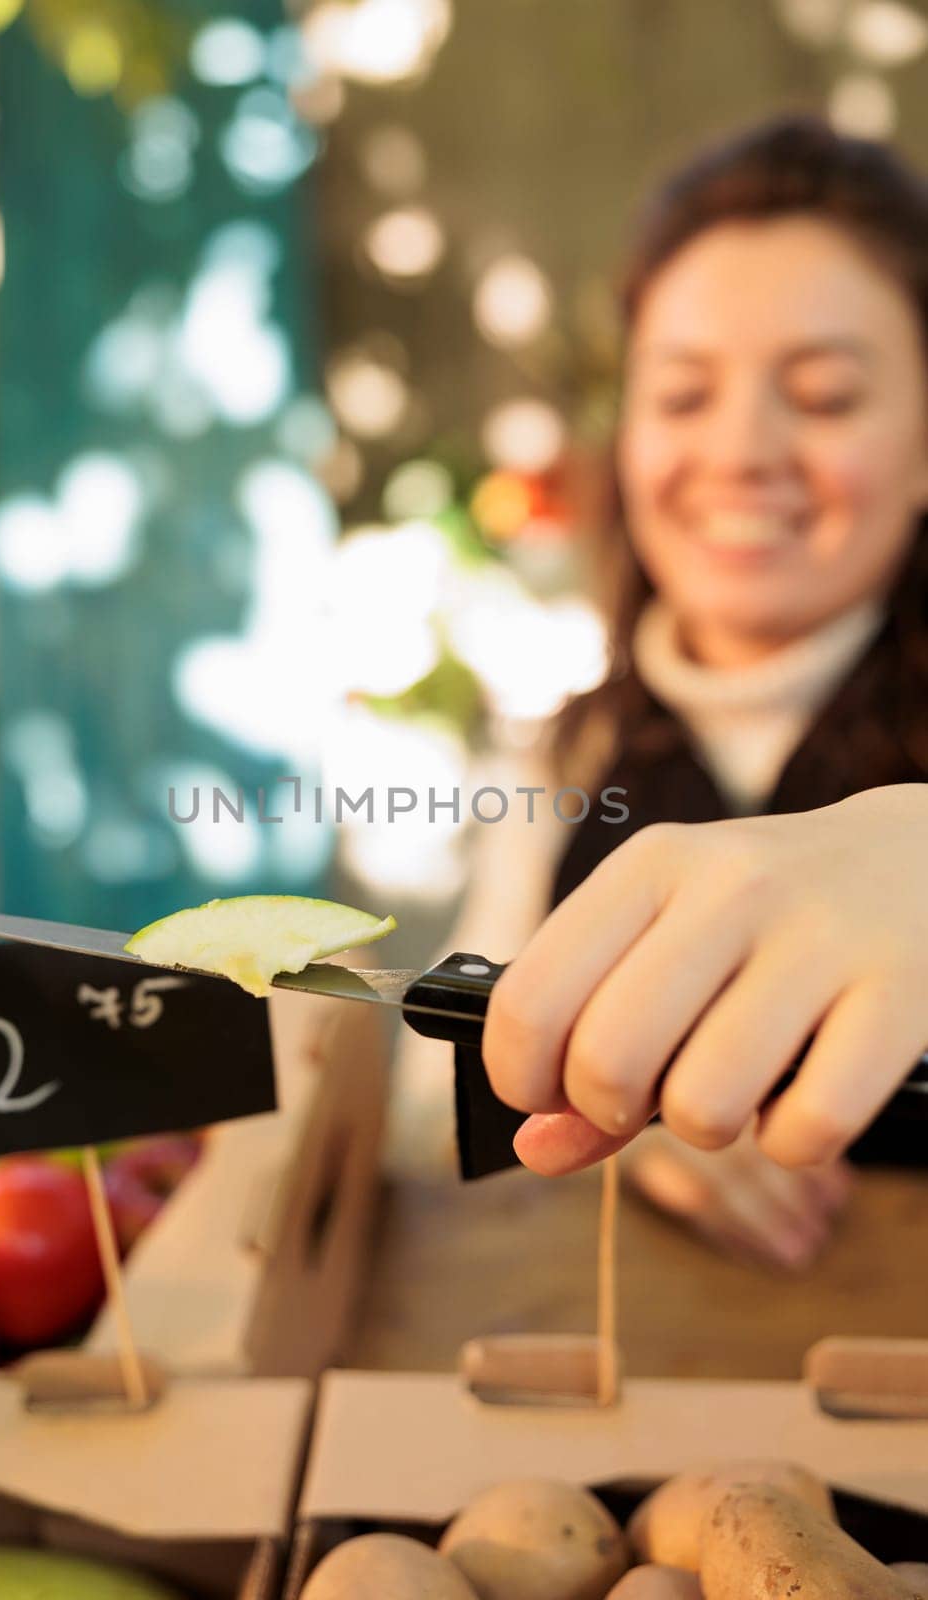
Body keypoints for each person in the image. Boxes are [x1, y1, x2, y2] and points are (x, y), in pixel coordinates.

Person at [397, 114, 928, 1271]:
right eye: (683, 395)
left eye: (826, 395)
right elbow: (414, 1115)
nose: (740, 448)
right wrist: (603, 1120)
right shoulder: (563, 752)